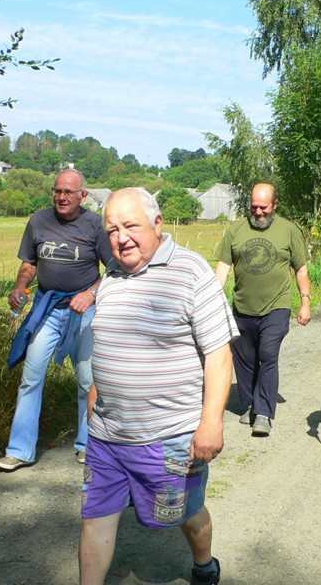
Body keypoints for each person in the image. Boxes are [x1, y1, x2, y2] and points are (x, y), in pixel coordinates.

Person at [79, 188, 238, 585]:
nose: (121, 237)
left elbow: (219, 354)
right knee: (95, 518)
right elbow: (108, 344)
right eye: (112, 229)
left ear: (158, 224)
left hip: (168, 437)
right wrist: (96, 396)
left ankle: (204, 565)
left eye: (130, 226)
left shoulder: (192, 272)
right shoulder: (111, 276)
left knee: (184, 513)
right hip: (107, 435)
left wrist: (211, 423)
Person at [0, 169, 113, 471]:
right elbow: (29, 263)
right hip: (47, 309)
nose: (61, 197)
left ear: (83, 195)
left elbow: (113, 270)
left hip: (84, 311)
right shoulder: (38, 221)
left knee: (88, 381)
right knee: (31, 377)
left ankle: (89, 445)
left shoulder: (95, 225)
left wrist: (91, 294)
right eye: (57, 191)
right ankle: (20, 450)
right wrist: (20, 286)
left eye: (68, 192)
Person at [215, 182, 311, 436]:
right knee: (244, 359)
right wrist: (212, 299)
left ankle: (264, 413)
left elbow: (300, 269)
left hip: (276, 307)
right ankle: (249, 405)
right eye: (254, 207)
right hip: (242, 307)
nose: (258, 212)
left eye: (264, 208)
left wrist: (305, 302)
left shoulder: (289, 231)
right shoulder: (236, 229)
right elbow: (223, 267)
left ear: (275, 205)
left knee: (267, 354)